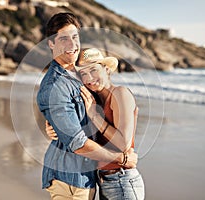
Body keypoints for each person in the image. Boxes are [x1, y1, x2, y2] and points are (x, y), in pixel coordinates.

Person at [37, 13, 138, 200]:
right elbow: (78, 143)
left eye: (75, 37)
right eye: (64, 39)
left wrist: (55, 125)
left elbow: (78, 117)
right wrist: (121, 159)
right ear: (51, 43)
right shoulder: (54, 85)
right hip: (70, 179)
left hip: (91, 177)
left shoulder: (79, 76)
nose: (72, 45)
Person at [46, 48, 145, 199]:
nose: (89, 78)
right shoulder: (92, 101)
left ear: (106, 69)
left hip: (123, 180)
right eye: (83, 74)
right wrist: (51, 127)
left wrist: (94, 115)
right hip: (103, 181)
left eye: (93, 69)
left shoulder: (120, 94)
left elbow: (123, 143)